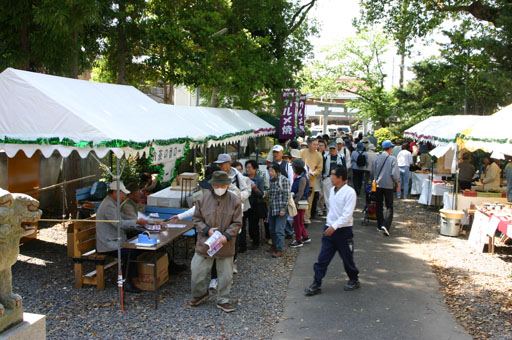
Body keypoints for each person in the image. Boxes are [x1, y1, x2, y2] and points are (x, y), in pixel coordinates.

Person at [189, 171, 242, 313]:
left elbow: (237, 223)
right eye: (217, 185)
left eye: (223, 185)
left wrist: (227, 235)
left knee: (226, 276)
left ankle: (223, 299)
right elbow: (196, 219)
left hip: (225, 244)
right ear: (212, 185)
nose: (220, 187)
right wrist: (206, 229)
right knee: (196, 272)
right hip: (206, 242)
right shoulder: (202, 198)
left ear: (227, 185)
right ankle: (200, 293)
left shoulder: (234, 200)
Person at [304, 165, 360, 296]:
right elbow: (331, 209)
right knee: (322, 258)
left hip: (343, 230)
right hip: (329, 228)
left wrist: (335, 226)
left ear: (340, 177)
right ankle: (316, 283)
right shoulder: (332, 190)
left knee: (347, 258)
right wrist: (329, 224)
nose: (331, 177)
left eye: (333, 174)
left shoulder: (349, 192)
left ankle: (354, 278)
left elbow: (347, 215)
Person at [96, 181, 147, 293]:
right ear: (116, 193)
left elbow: (123, 217)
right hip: (108, 243)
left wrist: (137, 221)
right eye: (123, 194)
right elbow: (119, 224)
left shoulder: (113, 203)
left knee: (136, 246)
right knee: (130, 252)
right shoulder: (108, 205)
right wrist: (136, 222)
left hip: (115, 239)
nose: (125, 197)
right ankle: (127, 282)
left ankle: (132, 277)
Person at [371, 140, 400, 237]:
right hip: (389, 185)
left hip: (378, 184)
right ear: (390, 148)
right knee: (389, 206)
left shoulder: (376, 158)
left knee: (379, 204)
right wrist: (398, 183)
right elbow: (395, 174)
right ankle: (386, 225)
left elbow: (372, 172)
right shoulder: (393, 159)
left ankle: (380, 225)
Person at [267, 162, 291, 258]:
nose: (270, 172)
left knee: (279, 230)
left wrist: (283, 209)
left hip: (281, 209)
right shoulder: (271, 180)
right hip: (272, 209)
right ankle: (274, 245)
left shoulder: (283, 180)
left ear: (277, 171)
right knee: (272, 229)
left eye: (272, 170)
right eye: (269, 170)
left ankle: (279, 249)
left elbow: (287, 195)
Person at [300, 138, 323, 224]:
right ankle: (299, 217)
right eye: (314, 144)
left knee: (309, 199)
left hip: (311, 179)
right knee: (300, 196)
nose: (316, 146)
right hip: (301, 178)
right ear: (309, 144)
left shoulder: (319, 155)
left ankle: (306, 217)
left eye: (317, 145)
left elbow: (320, 168)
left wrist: (314, 173)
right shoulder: (302, 152)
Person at [243, 160, 265, 250]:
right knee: (243, 224)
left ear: (255, 169)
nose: (247, 169)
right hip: (244, 204)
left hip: (254, 204)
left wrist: (255, 188)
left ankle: (255, 241)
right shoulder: (243, 177)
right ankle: (242, 243)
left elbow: (261, 194)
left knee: (253, 225)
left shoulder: (259, 179)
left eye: (249, 167)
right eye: (246, 167)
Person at [289, 159, 311, 248]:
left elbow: (300, 192)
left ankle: (298, 240)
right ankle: (305, 236)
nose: (293, 169)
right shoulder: (302, 176)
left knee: (297, 223)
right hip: (300, 202)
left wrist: (294, 203)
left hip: (299, 203)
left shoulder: (302, 178)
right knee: (300, 221)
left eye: (293, 167)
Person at [232, 161, 252, 253]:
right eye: (236, 170)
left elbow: (248, 192)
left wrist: (239, 196)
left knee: (242, 226)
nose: (239, 172)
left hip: (243, 207)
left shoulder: (246, 179)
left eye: (240, 169)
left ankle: (242, 245)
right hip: (232, 208)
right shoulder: (230, 179)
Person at [322, 143, 345, 212]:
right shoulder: (325, 157)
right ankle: (329, 212)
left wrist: (344, 178)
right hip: (328, 177)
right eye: (330, 149)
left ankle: (336, 211)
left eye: (333, 149)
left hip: (338, 179)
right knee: (327, 197)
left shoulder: (341, 156)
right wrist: (324, 177)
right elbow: (322, 167)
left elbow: (344, 168)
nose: (332, 150)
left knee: (338, 196)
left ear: (337, 149)